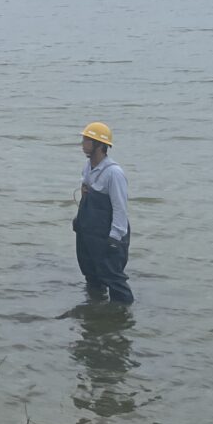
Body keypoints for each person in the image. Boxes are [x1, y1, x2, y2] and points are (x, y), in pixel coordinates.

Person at [73, 121, 133, 304]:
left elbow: (120, 208)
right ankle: (95, 309)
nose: (83, 144)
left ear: (99, 145)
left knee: (114, 278)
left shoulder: (114, 173)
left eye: (87, 140)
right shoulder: (88, 167)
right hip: (89, 232)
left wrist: (115, 238)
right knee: (91, 274)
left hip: (107, 236)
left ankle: (122, 312)